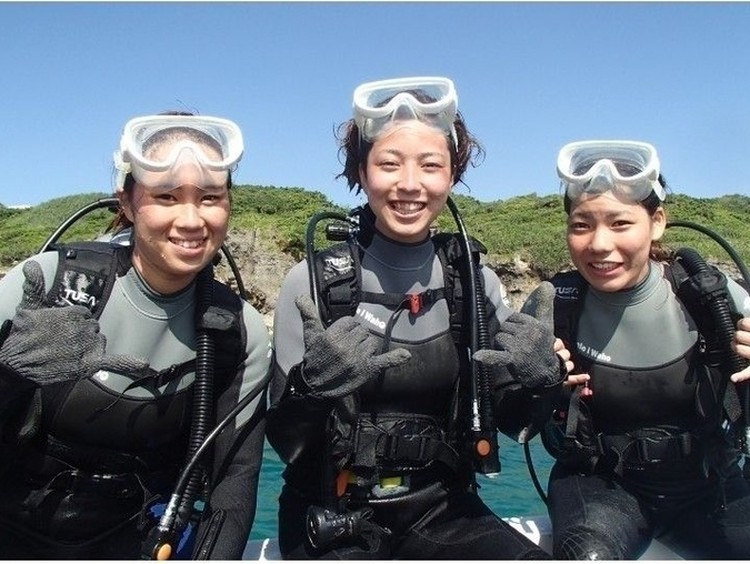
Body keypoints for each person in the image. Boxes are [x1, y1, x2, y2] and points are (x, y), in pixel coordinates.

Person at [266, 76, 569, 559]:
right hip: (330, 514)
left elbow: (516, 425)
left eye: (430, 166)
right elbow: (287, 445)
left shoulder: (473, 282)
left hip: (442, 507)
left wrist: (543, 381)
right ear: (362, 172)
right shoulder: (313, 282)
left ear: (452, 175)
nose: (410, 184)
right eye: (389, 164)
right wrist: (311, 389)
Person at [0, 113, 272, 559]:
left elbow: (233, 487)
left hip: (141, 542)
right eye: (166, 196)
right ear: (125, 202)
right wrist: (8, 378)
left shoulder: (238, 330)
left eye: (210, 198)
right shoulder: (45, 285)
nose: (191, 219)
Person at [542, 139, 750, 559]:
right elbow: (513, 421)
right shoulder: (554, 305)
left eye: (620, 223)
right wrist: (536, 383)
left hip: (710, 485)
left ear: (656, 222)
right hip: (600, 487)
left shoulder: (712, 297)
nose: (599, 244)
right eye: (581, 225)